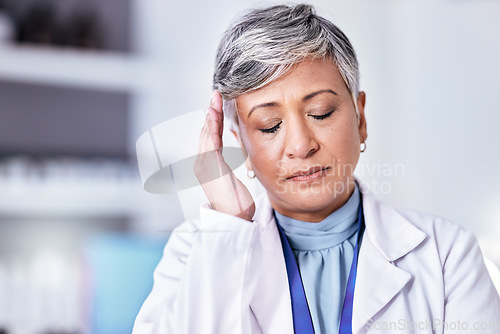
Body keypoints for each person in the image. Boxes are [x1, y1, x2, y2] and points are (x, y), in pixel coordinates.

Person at [133, 4, 500, 334]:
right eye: (269, 125)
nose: (300, 145)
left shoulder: (448, 255)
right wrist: (230, 223)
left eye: (321, 113)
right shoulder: (194, 249)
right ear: (240, 143)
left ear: (361, 119)